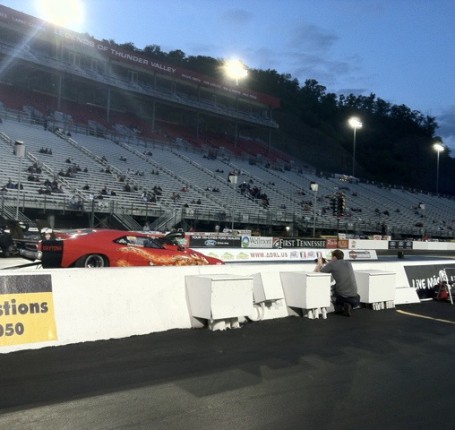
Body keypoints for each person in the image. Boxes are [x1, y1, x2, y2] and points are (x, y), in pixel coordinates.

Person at [314, 249, 360, 316]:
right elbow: (339, 270)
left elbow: (318, 273)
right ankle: (346, 305)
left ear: (334, 257)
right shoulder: (348, 263)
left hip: (343, 295)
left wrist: (319, 264)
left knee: (331, 290)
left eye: (331, 257)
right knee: (337, 286)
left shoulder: (332, 264)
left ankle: (339, 307)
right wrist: (329, 263)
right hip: (355, 295)